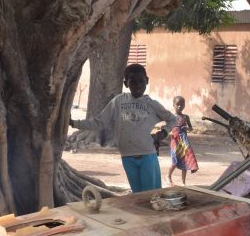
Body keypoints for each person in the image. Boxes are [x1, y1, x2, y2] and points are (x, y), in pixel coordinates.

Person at [70, 64, 176, 192]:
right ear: (126, 83)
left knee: (151, 195)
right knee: (137, 194)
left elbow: (173, 119)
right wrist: (74, 123)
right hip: (127, 156)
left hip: (148, 155)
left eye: (141, 81)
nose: (137, 85)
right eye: (133, 82)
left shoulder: (151, 104)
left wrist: (163, 133)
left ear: (147, 81)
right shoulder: (118, 102)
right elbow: (99, 122)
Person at [168, 96, 199, 185]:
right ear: (173, 105)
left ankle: (183, 182)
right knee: (175, 161)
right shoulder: (171, 117)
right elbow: (168, 128)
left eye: (182, 105)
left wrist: (187, 128)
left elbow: (191, 128)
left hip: (184, 141)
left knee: (185, 161)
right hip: (175, 141)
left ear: (184, 105)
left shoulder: (186, 117)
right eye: (177, 104)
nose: (179, 106)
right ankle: (169, 176)